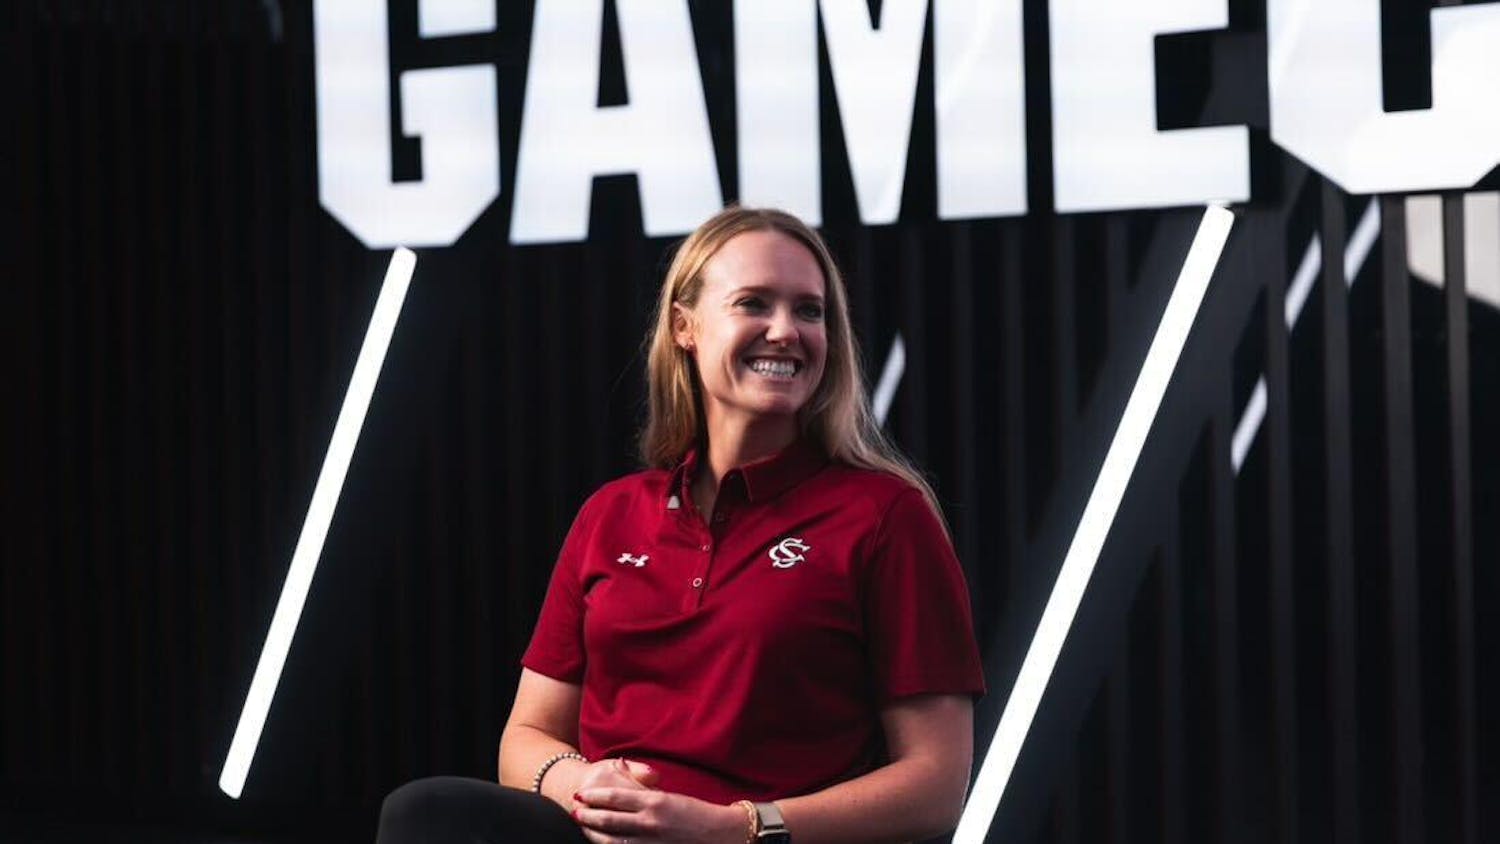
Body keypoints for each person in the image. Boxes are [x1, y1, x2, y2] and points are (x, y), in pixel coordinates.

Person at [376, 206, 984, 843]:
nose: (786, 331)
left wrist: (734, 828)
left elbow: (935, 784)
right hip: (602, 835)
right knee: (427, 812)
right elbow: (526, 737)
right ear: (684, 327)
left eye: (810, 310)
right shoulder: (611, 514)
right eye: (754, 303)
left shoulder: (884, 516)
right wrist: (586, 790)